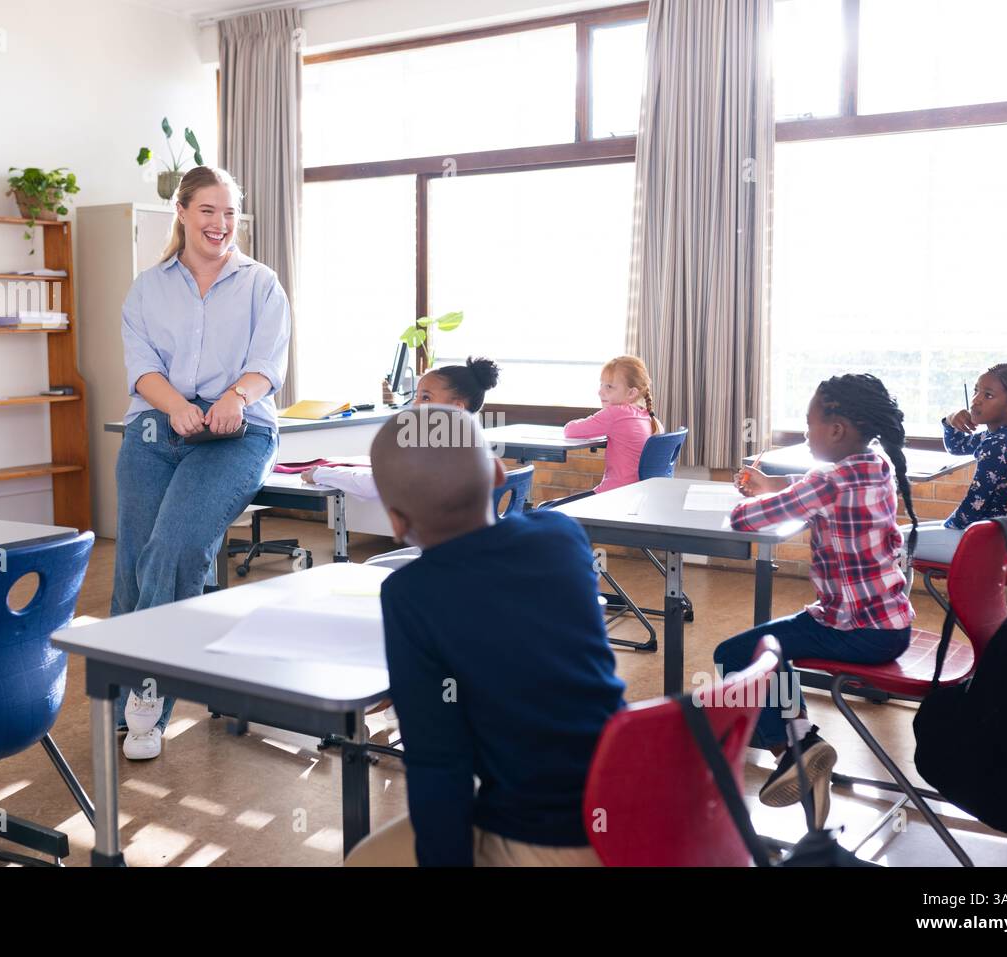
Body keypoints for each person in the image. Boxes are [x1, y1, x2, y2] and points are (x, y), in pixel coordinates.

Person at [345, 406, 625, 866]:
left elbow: (440, 765)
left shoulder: (410, 594)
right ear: (499, 475)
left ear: (395, 521)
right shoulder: (563, 534)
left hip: (549, 836)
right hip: (636, 795)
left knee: (364, 861)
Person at [110, 166, 290, 760]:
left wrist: (235, 398)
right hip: (158, 425)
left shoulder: (261, 284)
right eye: (208, 211)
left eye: (230, 213)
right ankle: (125, 692)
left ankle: (147, 696)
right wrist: (179, 408)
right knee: (136, 557)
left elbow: (268, 365)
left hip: (238, 431)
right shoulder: (147, 287)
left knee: (178, 546)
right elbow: (140, 367)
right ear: (182, 213)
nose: (220, 224)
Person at [716, 373, 918, 828]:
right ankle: (801, 743)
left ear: (837, 429)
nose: (805, 433)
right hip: (889, 625)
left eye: (809, 424)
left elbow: (745, 520)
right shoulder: (874, 465)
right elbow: (812, 493)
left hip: (854, 630)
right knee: (773, 647)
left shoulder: (828, 483)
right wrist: (774, 485)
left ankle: (795, 748)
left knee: (737, 652)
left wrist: (752, 498)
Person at [303, 357, 499, 500]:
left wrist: (320, 473)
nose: (415, 405)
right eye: (418, 396)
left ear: (456, 408)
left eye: (426, 398)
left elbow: (376, 486)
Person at [911, 360, 1007, 564]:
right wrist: (950, 420)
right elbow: (957, 446)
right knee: (897, 536)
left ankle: (890, 595)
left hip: (985, 539)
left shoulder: (999, 444)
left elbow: (975, 504)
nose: (975, 400)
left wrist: (947, 527)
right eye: (976, 390)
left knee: (894, 544)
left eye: (988, 395)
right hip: (1000, 534)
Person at [547, 355, 662, 508]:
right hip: (637, 497)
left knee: (546, 509)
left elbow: (570, 430)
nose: (600, 392)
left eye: (609, 387)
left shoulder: (616, 414)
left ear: (632, 393)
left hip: (614, 496)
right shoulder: (649, 417)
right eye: (601, 384)